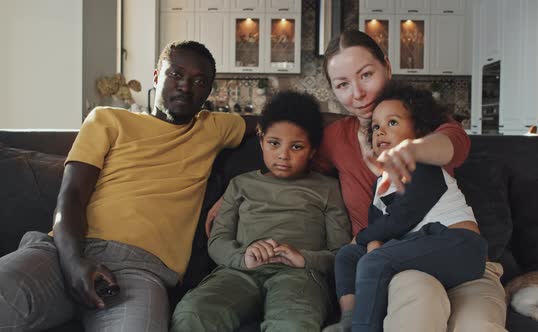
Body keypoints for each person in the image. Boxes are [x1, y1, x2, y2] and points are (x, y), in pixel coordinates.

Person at [0, 40, 255, 331]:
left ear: (208, 91)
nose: (185, 86)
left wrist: (238, 190)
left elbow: (281, 127)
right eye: (176, 74)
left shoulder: (215, 127)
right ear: (157, 76)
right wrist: (73, 262)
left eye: (199, 81)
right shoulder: (108, 119)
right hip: (64, 252)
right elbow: (71, 195)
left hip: (140, 272)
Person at [318, 29, 506, 332]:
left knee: (479, 325)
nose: (357, 93)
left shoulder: (425, 125)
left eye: (366, 75)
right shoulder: (335, 139)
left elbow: (452, 144)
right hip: (398, 263)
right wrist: (237, 190)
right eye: (342, 84)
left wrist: (412, 149)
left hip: (457, 255)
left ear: (388, 68)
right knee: (414, 307)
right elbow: (288, 158)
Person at [170, 91, 351, 332]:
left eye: (296, 147)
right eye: (274, 143)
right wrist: (243, 257)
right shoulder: (240, 184)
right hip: (239, 271)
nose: (283, 155)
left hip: (300, 276)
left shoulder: (328, 189)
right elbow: (217, 241)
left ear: (313, 151)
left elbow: (340, 253)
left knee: (293, 325)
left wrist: (303, 258)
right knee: (191, 313)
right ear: (261, 139)